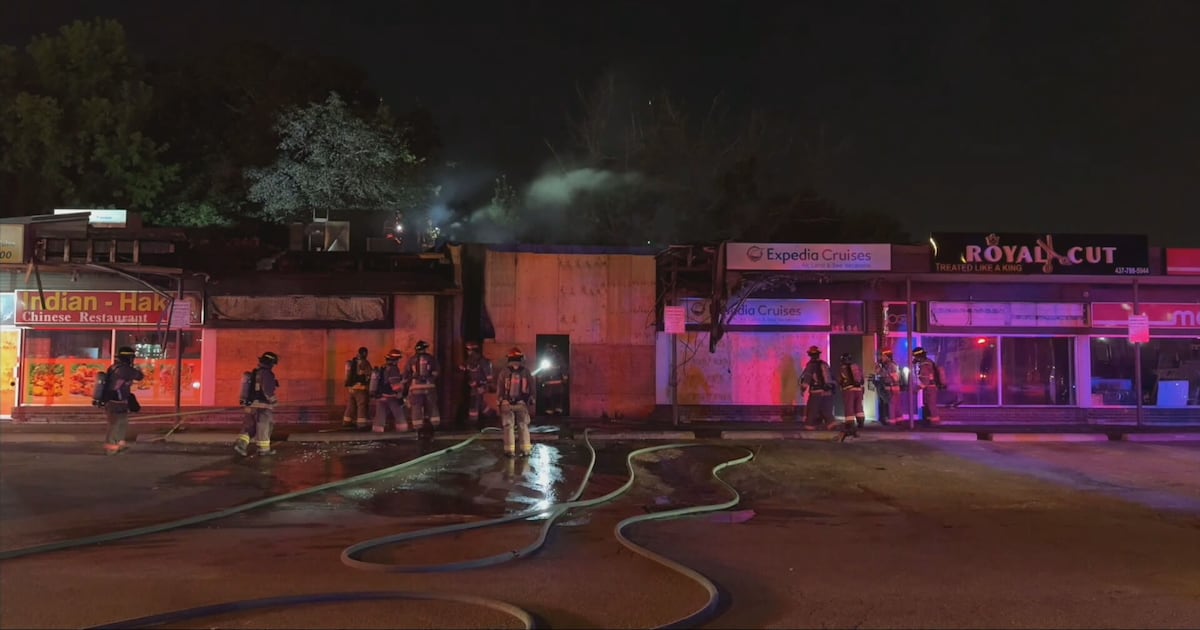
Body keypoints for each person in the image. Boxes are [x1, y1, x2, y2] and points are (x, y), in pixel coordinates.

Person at [94, 346, 144, 456]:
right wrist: (138, 368)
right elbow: (139, 376)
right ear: (129, 358)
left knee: (122, 423)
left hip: (116, 401)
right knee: (116, 424)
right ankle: (111, 447)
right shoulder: (124, 369)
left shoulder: (114, 367)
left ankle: (119, 444)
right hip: (116, 401)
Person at [235, 351, 280, 457]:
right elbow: (267, 390)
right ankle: (264, 450)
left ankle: (241, 445)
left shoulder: (254, 374)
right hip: (263, 407)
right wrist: (274, 400)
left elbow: (245, 390)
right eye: (273, 364)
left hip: (251, 406)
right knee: (264, 427)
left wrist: (244, 402)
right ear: (270, 363)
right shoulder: (267, 374)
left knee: (250, 427)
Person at [496, 347, 535, 457]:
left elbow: (500, 388)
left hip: (506, 403)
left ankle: (509, 451)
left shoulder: (504, 372)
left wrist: (500, 401)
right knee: (523, 425)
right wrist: (532, 399)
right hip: (521, 403)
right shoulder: (526, 372)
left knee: (508, 426)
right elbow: (532, 387)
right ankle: (526, 450)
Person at [799, 345, 838, 431]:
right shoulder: (824, 364)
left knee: (812, 409)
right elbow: (832, 377)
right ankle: (831, 424)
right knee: (826, 409)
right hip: (828, 391)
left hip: (816, 392)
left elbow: (807, 378)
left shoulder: (810, 365)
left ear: (810, 355)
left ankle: (810, 425)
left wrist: (803, 388)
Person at [405, 340, 441, 432]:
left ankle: (417, 427)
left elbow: (407, 374)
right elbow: (437, 372)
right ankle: (435, 425)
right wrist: (431, 378)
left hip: (416, 388)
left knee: (416, 407)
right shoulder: (431, 359)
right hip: (429, 387)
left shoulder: (411, 360)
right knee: (432, 406)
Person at [372, 349, 408, 433]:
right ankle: (402, 430)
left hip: (381, 396)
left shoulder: (383, 368)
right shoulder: (393, 369)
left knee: (380, 415)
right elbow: (395, 386)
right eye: (398, 359)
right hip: (391, 396)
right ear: (395, 359)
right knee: (399, 413)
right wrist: (400, 396)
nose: (398, 361)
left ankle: (377, 432)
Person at [459, 341, 494, 428]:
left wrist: (486, 385)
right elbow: (465, 367)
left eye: (470, 350)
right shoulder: (470, 360)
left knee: (474, 401)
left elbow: (488, 375)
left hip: (481, 385)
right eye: (468, 350)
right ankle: (491, 415)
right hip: (474, 385)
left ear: (474, 351)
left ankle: (473, 421)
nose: (468, 352)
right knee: (480, 402)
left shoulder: (482, 361)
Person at [343, 347, 373, 430]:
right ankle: (361, 424)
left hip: (351, 388)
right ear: (365, 353)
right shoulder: (365, 363)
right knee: (361, 405)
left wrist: (349, 386)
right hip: (360, 388)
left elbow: (348, 376)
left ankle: (346, 422)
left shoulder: (352, 362)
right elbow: (370, 374)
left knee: (351, 405)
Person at [913, 347, 942, 424]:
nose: (914, 358)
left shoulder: (924, 364)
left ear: (918, 356)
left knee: (931, 405)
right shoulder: (928, 362)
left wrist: (917, 389)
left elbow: (925, 379)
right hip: (930, 387)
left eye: (915, 356)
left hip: (930, 387)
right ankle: (931, 420)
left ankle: (934, 422)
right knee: (929, 404)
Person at [872, 349, 901, 425]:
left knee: (891, 405)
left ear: (888, 357)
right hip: (893, 387)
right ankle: (898, 421)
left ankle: (892, 422)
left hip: (891, 388)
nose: (881, 358)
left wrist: (879, 369)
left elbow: (884, 375)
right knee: (896, 405)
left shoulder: (890, 365)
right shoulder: (892, 365)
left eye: (883, 356)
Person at [538, 343, 568, 416]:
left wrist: (564, 377)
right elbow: (541, 369)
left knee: (558, 395)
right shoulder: (545, 358)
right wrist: (540, 377)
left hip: (557, 380)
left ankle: (558, 408)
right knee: (548, 396)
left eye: (551, 349)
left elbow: (563, 367)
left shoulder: (559, 357)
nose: (550, 350)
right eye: (549, 349)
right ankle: (549, 409)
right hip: (548, 381)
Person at [838, 352, 866, 431]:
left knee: (849, 406)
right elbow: (862, 378)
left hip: (849, 390)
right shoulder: (856, 367)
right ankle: (861, 421)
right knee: (859, 405)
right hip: (859, 389)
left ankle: (850, 423)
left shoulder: (842, 369)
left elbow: (840, 380)